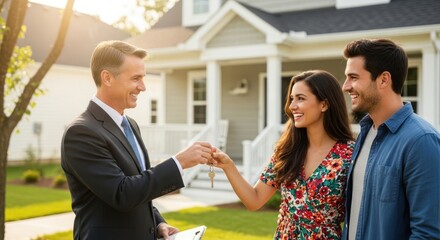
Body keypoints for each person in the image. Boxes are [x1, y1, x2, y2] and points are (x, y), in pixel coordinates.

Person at [61, 40, 213, 240]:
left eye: (143, 78)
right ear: (107, 77)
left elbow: (140, 185)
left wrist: (158, 222)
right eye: (135, 78)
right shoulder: (81, 132)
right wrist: (179, 163)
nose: (142, 87)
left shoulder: (130, 125)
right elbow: (121, 193)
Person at [212, 70, 355, 239]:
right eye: (292, 98)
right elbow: (254, 200)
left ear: (324, 104)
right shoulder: (288, 150)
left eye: (300, 98)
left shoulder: (349, 155)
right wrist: (228, 166)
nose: (292, 106)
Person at [341, 38, 440, 239]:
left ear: (384, 79)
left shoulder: (421, 141)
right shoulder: (366, 132)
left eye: (353, 77)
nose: (345, 86)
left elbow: (428, 233)